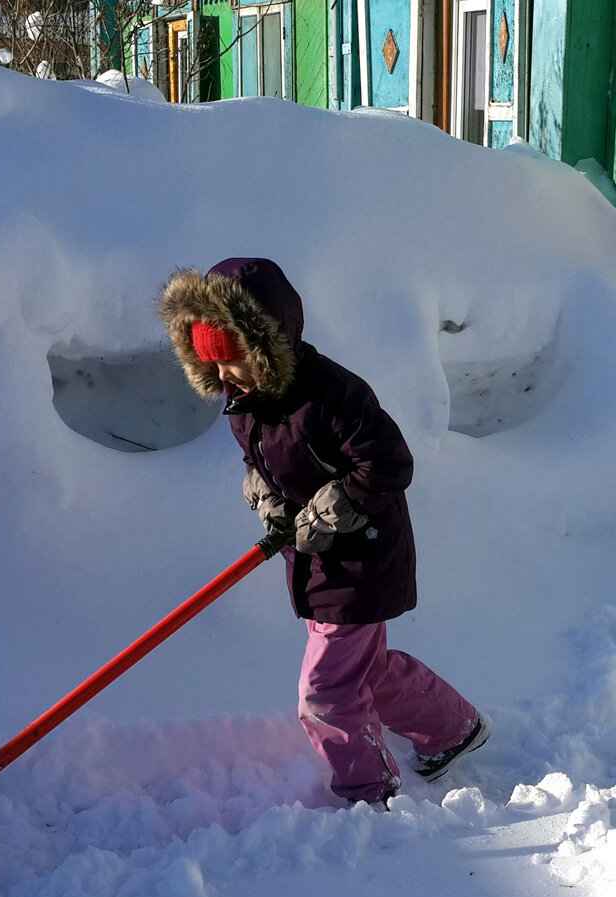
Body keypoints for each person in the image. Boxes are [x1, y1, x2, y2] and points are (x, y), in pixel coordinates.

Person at [159, 257, 490, 809]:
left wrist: (333, 508)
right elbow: (262, 460)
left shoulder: (331, 395)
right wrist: (264, 494)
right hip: (314, 560)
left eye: (231, 359)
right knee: (365, 671)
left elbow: (388, 462)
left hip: (361, 560)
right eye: (210, 363)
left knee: (326, 693)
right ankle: (453, 729)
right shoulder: (246, 402)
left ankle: (369, 793)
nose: (223, 376)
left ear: (264, 345)